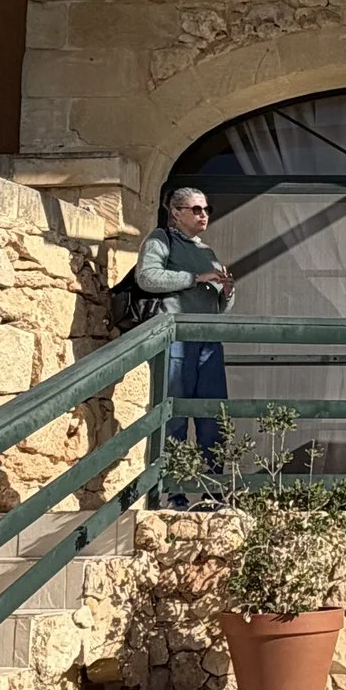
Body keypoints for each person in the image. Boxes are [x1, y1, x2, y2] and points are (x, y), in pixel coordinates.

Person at [137, 184, 233, 497]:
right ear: (176, 213)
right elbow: (147, 277)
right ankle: (171, 492)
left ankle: (212, 492)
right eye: (196, 209)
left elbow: (218, 305)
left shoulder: (207, 252)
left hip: (209, 341)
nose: (203, 215)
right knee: (174, 418)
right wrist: (195, 278)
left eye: (206, 209)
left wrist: (227, 292)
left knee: (213, 418)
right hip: (177, 341)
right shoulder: (160, 240)